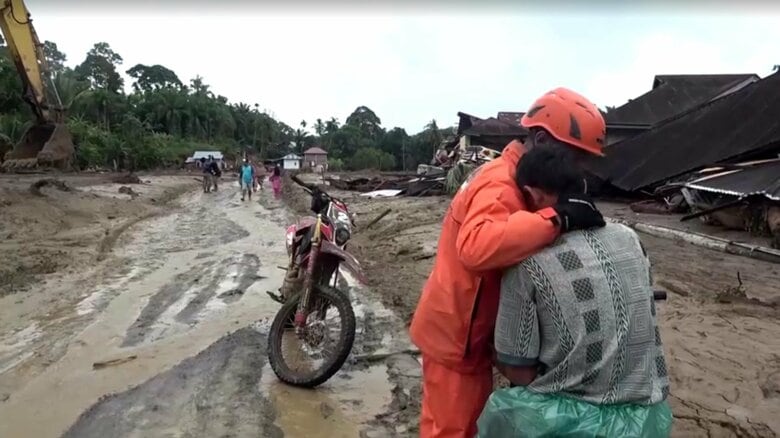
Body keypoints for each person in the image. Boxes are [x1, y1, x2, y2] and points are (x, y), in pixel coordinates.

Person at [408, 87, 608, 438]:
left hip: (469, 330)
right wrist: (557, 218)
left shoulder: (519, 180)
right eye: (576, 158)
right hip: (458, 335)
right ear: (543, 140)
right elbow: (476, 246)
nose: (578, 171)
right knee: (454, 430)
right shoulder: (500, 185)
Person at [476, 145, 673, 437]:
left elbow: (519, 371)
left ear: (532, 195)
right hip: (644, 421)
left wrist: (491, 352)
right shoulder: (630, 239)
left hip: (569, 425)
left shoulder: (525, 265)